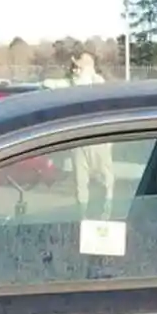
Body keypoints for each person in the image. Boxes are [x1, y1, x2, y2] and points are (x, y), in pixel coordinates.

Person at [67, 53, 116, 218]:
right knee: (80, 184)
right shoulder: (72, 86)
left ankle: (105, 218)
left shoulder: (99, 86)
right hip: (79, 143)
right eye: (73, 67)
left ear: (88, 69)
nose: (74, 70)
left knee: (105, 181)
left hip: (98, 142)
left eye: (78, 67)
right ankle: (81, 219)